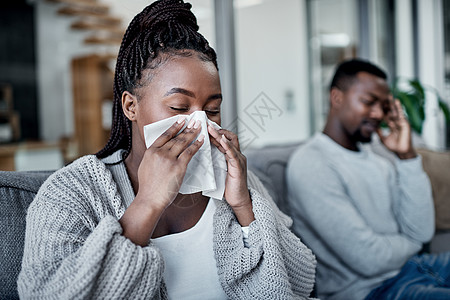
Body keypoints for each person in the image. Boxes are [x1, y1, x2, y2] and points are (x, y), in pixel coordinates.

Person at [17, 0, 316, 299]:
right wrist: (147, 203)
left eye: (212, 110)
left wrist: (244, 207)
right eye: (178, 107)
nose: (198, 123)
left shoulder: (233, 178)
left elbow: (300, 283)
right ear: (130, 106)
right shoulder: (73, 191)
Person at [287, 58, 450, 300]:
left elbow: (421, 231)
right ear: (336, 98)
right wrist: (412, 243)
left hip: (417, 269)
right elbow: (369, 259)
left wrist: (407, 156)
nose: (377, 114)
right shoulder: (311, 163)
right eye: (368, 102)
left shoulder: (379, 160)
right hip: (374, 291)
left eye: (383, 106)